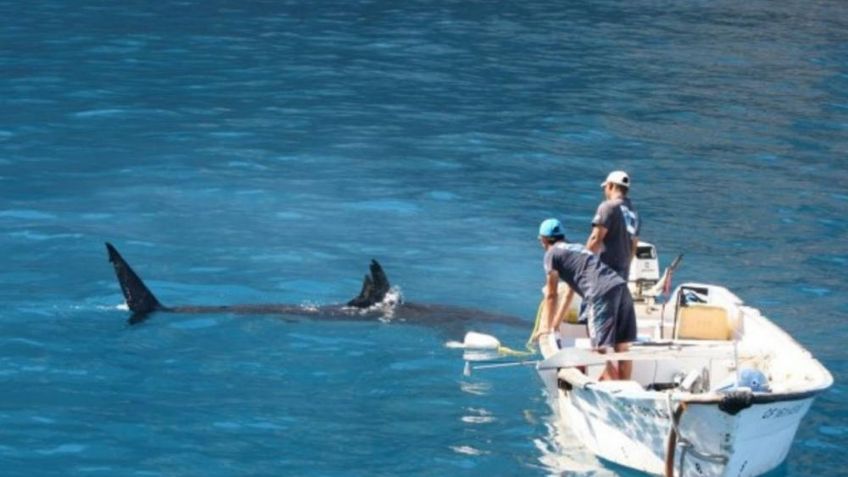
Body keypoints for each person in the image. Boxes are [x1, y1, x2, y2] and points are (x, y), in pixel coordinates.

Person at [533, 218, 637, 380]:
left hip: (600, 293)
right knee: (621, 347)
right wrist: (555, 325)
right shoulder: (578, 249)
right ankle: (626, 387)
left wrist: (545, 328)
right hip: (621, 287)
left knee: (600, 350)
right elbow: (568, 292)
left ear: (544, 239)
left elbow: (551, 295)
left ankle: (613, 392)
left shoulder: (551, 254)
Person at [586, 170, 640, 280]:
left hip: (605, 273)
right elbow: (633, 246)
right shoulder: (634, 213)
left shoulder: (608, 207)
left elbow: (595, 239)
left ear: (610, 186)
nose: (604, 191)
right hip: (622, 274)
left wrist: (581, 261)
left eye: (605, 187)